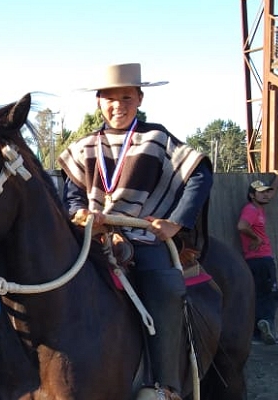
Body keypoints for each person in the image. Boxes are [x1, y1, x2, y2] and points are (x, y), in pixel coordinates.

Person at [57, 62, 213, 400]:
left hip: (141, 235)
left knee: (165, 287)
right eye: (110, 98)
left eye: (127, 97)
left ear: (140, 98)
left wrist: (176, 222)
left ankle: (163, 384)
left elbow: (199, 174)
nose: (118, 106)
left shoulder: (156, 138)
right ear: (98, 101)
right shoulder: (83, 145)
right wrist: (78, 212)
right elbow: (71, 192)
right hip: (91, 237)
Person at [237, 171, 278, 346]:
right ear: (252, 195)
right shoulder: (250, 210)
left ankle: (258, 334)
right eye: (261, 192)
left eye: (267, 192)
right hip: (261, 259)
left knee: (258, 294)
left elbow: (271, 193)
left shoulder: (258, 208)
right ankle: (264, 325)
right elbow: (242, 226)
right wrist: (256, 238)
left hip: (255, 260)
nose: (266, 194)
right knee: (272, 295)